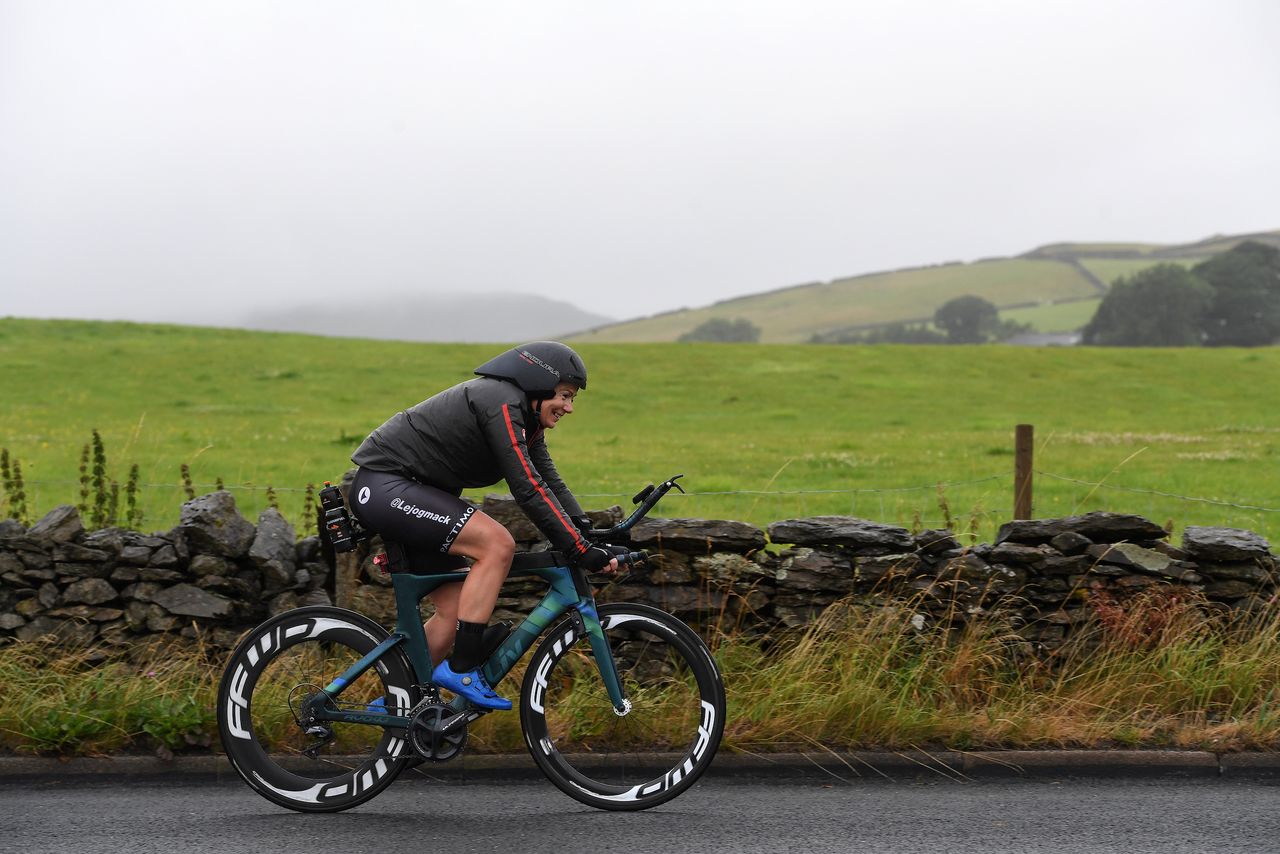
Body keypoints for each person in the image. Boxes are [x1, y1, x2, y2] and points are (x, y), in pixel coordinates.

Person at [348, 341, 619, 710]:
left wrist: (587, 531)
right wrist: (579, 549)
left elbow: (549, 480)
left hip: (407, 491)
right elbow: (526, 487)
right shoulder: (500, 400)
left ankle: (401, 705)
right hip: (385, 486)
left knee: (455, 610)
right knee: (496, 545)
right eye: (565, 395)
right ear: (539, 383)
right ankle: (462, 668)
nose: (569, 407)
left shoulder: (526, 420)